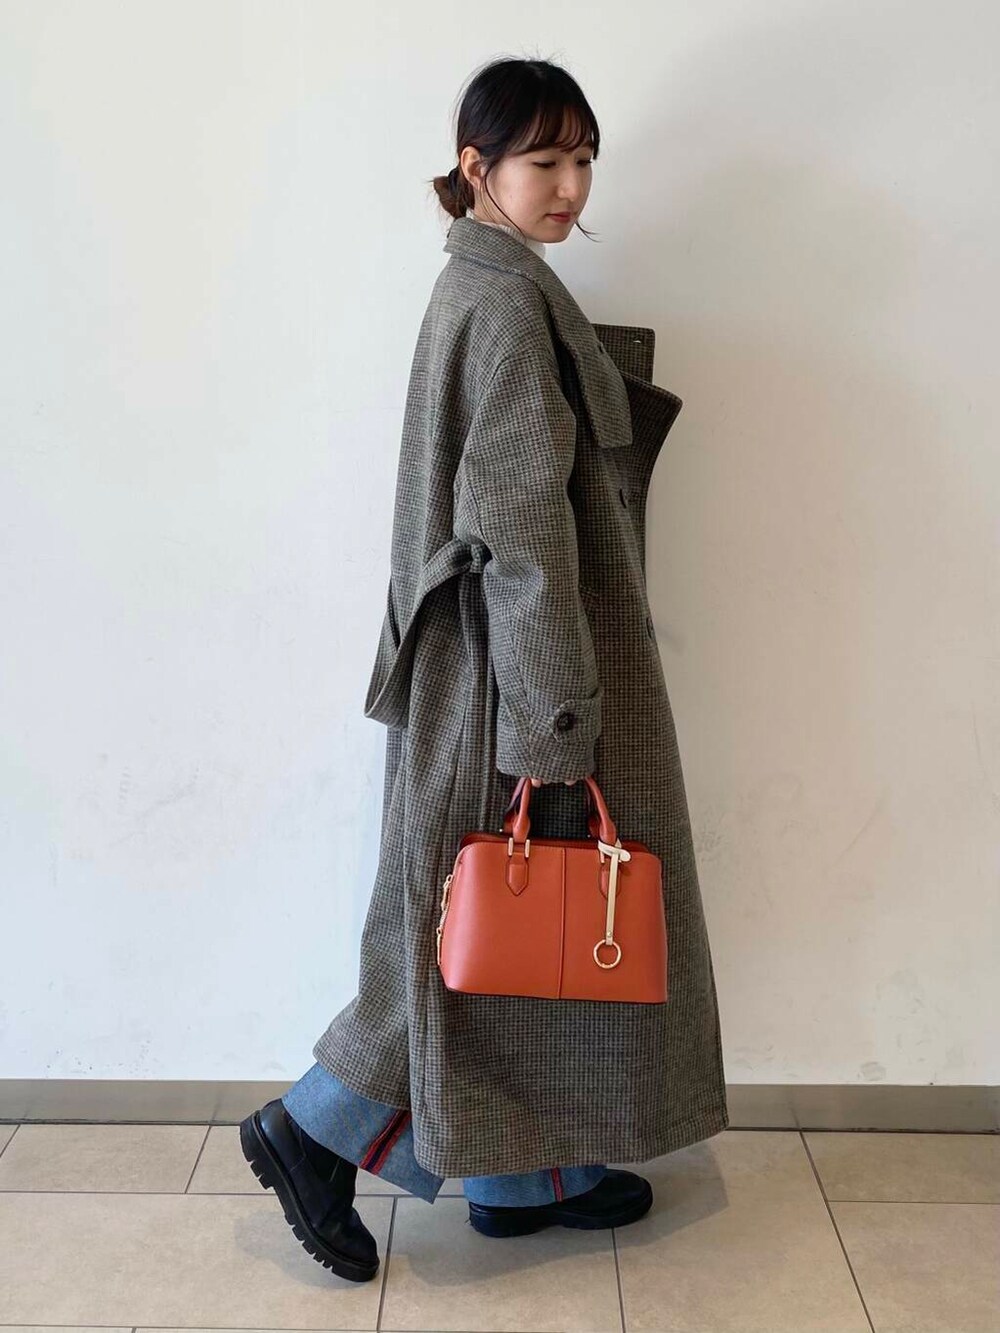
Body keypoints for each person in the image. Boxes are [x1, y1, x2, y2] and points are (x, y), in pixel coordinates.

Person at [240, 54, 728, 1284]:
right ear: (476, 167)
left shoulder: (485, 284)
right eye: (543, 160)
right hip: (509, 677)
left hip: (479, 666)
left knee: (512, 932)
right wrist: (554, 722)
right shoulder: (507, 307)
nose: (569, 186)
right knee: (461, 928)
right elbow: (516, 535)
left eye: (583, 160)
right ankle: (312, 1129)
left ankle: (525, 1174)